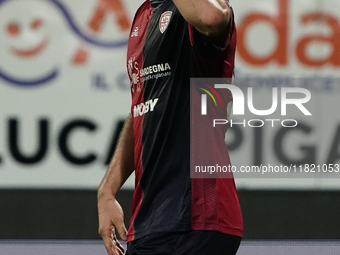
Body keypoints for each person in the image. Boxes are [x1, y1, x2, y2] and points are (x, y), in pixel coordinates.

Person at [97, 0, 243, 254]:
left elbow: (212, 18)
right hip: (151, 220)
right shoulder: (144, 14)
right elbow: (143, 107)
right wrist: (107, 188)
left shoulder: (194, 9)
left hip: (197, 216)